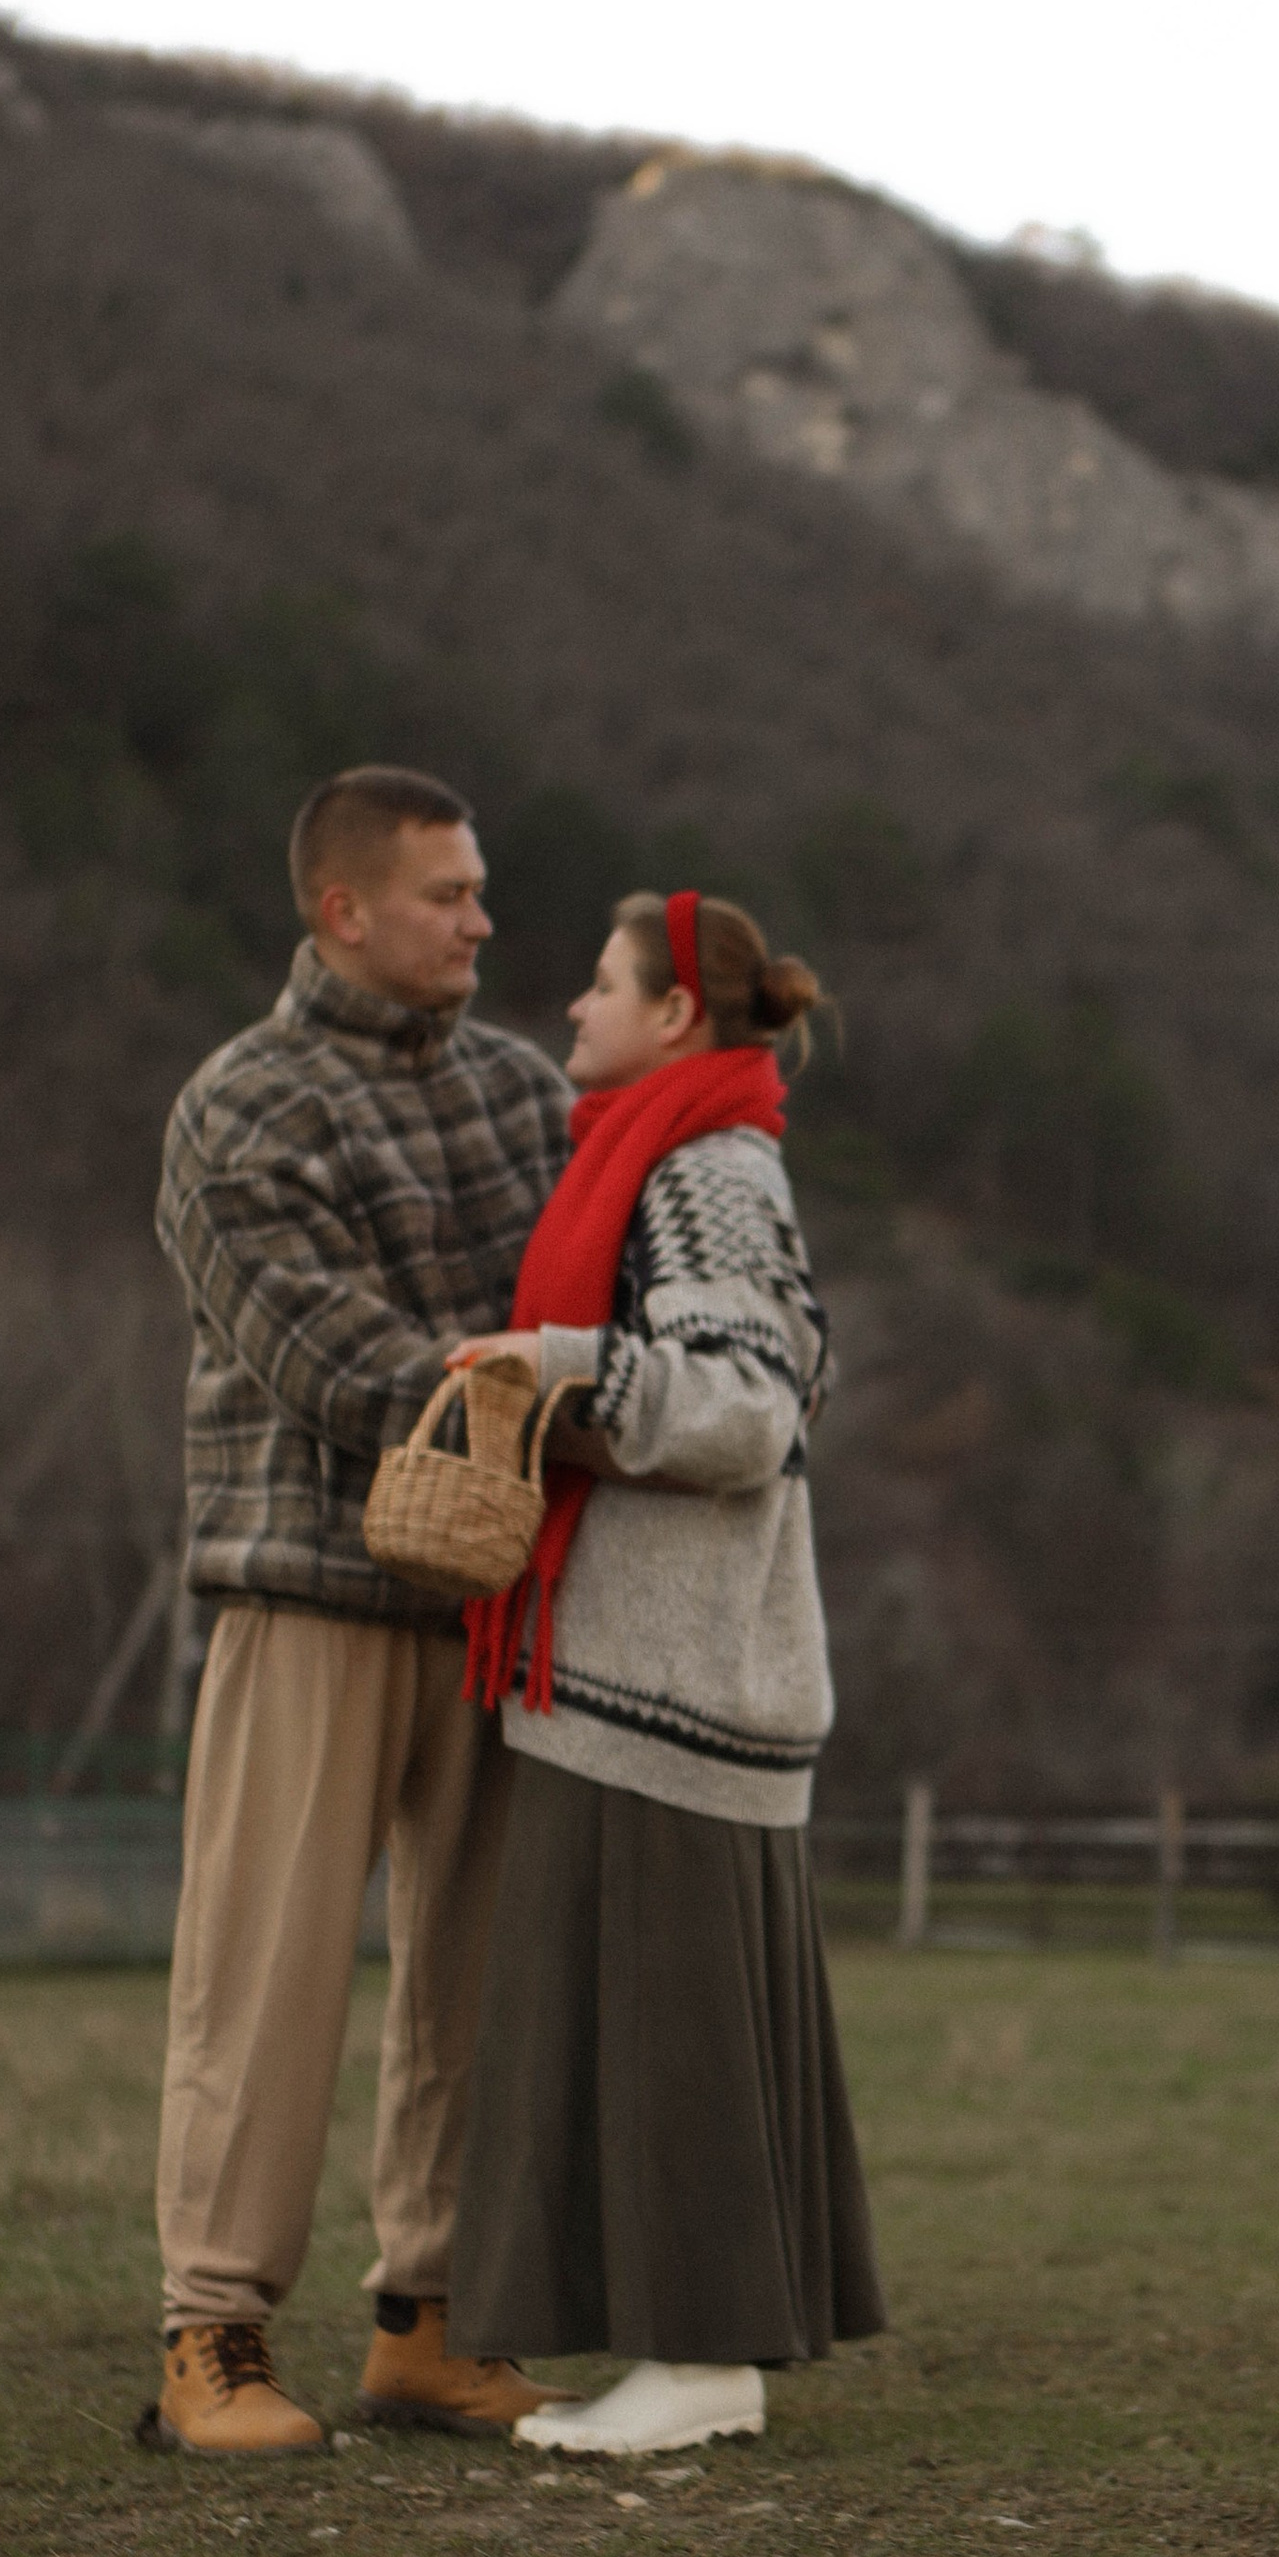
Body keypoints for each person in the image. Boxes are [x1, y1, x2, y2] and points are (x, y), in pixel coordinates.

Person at [147, 766, 570, 2454]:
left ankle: (429, 2321)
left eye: (479, 891)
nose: (480, 921)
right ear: (344, 910)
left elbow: (590, 1286)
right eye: (447, 895)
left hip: (498, 1600)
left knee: (474, 1979)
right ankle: (212, 2334)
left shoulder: (530, 1094)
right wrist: (527, 1394)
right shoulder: (237, 1104)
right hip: (307, 1586)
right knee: (264, 1976)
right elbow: (315, 1346)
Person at [444, 887, 884, 2458]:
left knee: (667, 2015)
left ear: (677, 1013)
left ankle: (700, 2362)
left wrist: (554, 1366)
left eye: (602, 980)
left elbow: (747, 1407)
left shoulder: (705, 1170)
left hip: (674, 1674)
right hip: (644, 1667)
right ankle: (683, 2353)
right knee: (639, 2012)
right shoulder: (683, 1153)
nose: (570, 1004)